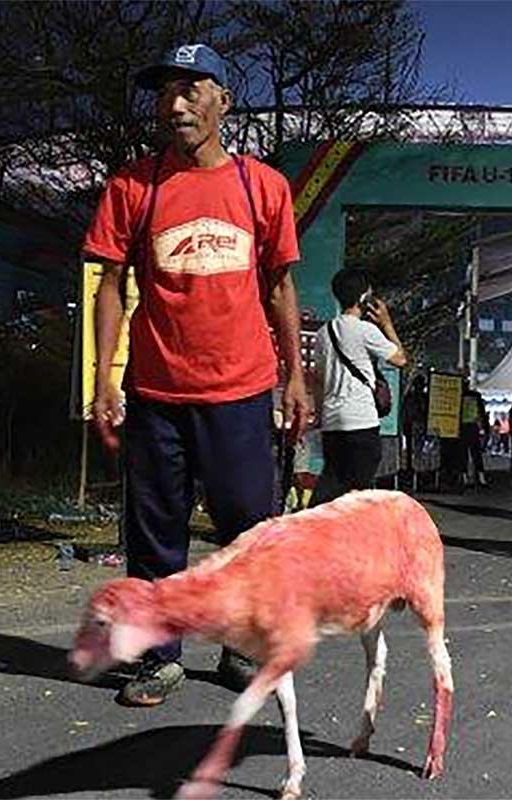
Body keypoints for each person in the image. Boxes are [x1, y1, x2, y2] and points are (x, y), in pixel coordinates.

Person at [83, 44, 307, 706]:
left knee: (246, 527)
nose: (176, 105)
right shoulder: (134, 186)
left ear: (223, 102)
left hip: (239, 391)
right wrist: (105, 377)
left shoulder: (261, 186)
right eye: (166, 94)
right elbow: (112, 285)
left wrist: (293, 376)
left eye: (192, 91)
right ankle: (158, 655)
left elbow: (280, 288)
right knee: (155, 529)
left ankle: (242, 644)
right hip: (156, 393)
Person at [312, 269, 407, 504]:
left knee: (331, 484)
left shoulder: (324, 333)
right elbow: (400, 359)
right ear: (364, 298)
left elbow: (317, 380)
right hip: (361, 422)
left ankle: (313, 528)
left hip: (332, 422)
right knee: (359, 493)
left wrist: (321, 416)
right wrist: (386, 322)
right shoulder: (366, 331)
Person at [459, 379, 489, 487]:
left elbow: (482, 412)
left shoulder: (458, 396)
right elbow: (482, 413)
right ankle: (480, 478)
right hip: (472, 427)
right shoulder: (476, 396)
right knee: (476, 454)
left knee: (464, 454)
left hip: (462, 427)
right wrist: (486, 429)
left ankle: (465, 478)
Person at [401, 373, 429, 474]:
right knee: (416, 448)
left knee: (413, 448)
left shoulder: (411, 397)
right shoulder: (423, 398)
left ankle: (412, 467)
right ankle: (414, 467)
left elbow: (405, 412)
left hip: (412, 425)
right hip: (416, 425)